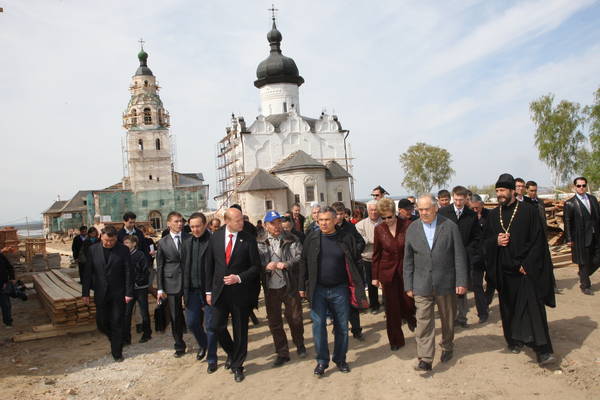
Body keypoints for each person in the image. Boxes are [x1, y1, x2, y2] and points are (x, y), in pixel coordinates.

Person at [483, 173, 556, 365]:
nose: (499, 194)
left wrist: (528, 264)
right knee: (509, 308)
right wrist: (496, 241)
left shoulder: (529, 211)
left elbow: (538, 241)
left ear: (512, 191)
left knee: (534, 310)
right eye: (497, 190)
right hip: (504, 271)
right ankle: (514, 341)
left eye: (502, 190)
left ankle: (543, 351)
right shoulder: (493, 215)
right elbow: (484, 242)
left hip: (525, 271)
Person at [299, 207, 367, 376]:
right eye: (320, 220)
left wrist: (359, 285)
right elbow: (303, 261)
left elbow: (356, 261)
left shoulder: (346, 238)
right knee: (318, 326)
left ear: (335, 220)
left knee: (342, 326)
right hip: (318, 290)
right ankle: (322, 361)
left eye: (327, 220)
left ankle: (340, 359)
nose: (323, 223)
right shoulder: (312, 238)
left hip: (340, 289)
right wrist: (301, 286)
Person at [404, 194, 468, 372]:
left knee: (448, 319)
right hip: (421, 283)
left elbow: (459, 256)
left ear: (436, 208)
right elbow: (407, 259)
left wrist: (461, 281)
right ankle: (425, 358)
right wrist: (408, 284)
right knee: (423, 321)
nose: (423, 213)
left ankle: (447, 345)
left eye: (427, 209)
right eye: (420, 209)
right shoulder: (412, 229)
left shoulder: (450, 226)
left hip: (445, 283)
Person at [205, 207, 261, 383]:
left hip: (240, 292)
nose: (241, 223)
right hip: (220, 292)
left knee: (240, 331)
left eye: (242, 219)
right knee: (216, 326)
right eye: (238, 220)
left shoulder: (248, 239)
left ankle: (238, 366)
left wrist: (239, 277)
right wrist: (208, 291)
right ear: (227, 221)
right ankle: (232, 352)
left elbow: (256, 267)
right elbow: (209, 265)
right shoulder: (215, 238)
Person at [257, 211, 306, 367]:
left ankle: (300, 344)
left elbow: (300, 257)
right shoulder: (259, 242)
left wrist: (286, 264)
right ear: (266, 226)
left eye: (278, 222)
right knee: (275, 322)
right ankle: (282, 352)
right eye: (272, 223)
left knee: (295, 318)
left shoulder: (291, 238)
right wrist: (265, 267)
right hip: (271, 287)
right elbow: (254, 263)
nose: (276, 226)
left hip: (289, 284)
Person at [182, 212, 227, 373]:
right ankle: (204, 344)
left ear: (205, 225)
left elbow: (220, 267)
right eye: (192, 227)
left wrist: (214, 289)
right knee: (192, 323)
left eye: (198, 226)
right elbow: (184, 267)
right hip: (192, 291)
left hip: (210, 291)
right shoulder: (186, 242)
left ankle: (212, 358)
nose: (195, 229)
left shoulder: (214, 241)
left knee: (210, 326)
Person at [82, 225, 133, 362]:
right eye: (106, 241)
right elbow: (88, 272)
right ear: (101, 237)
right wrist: (85, 293)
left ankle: (117, 352)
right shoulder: (93, 250)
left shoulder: (123, 250)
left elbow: (128, 271)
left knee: (117, 321)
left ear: (116, 239)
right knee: (102, 323)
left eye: (112, 241)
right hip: (101, 292)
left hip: (118, 293)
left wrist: (128, 292)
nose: (109, 243)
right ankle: (116, 338)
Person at [372, 198, 416, 350]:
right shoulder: (379, 229)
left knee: (409, 303)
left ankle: (410, 318)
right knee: (391, 309)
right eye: (383, 217)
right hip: (387, 273)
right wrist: (375, 277)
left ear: (395, 213)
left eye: (389, 217)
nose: (387, 220)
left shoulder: (408, 225)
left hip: (406, 271)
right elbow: (376, 254)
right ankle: (396, 341)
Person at [438, 185, 482, 326]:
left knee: (462, 288)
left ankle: (462, 318)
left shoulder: (471, 215)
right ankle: (449, 318)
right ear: (453, 197)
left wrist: (468, 250)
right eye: (456, 199)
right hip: (446, 257)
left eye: (461, 200)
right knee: (447, 289)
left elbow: (477, 236)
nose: (458, 203)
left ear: (466, 199)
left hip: (463, 258)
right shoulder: (443, 213)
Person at [156, 211, 190, 357]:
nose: (180, 224)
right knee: (175, 316)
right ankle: (179, 345)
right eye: (176, 221)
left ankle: (203, 339)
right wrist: (160, 288)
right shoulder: (163, 243)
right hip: (171, 283)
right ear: (169, 223)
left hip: (189, 281)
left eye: (181, 221)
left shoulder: (189, 238)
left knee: (195, 312)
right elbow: (160, 266)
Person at [331, 201, 366, 340]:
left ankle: (356, 330)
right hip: (335, 271)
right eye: (336, 214)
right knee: (336, 302)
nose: (339, 217)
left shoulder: (350, 227)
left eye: (341, 214)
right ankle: (338, 327)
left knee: (353, 301)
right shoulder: (328, 228)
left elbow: (361, 242)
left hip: (351, 270)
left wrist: (353, 252)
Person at [564, 176, 600, 295]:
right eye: (579, 186)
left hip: (595, 235)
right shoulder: (570, 203)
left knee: (597, 258)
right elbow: (567, 222)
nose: (581, 188)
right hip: (580, 237)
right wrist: (569, 239)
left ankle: (584, 274)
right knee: (583, 261)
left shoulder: (593, 199)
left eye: (583, 185)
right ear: (575, 187)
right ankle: (585, 286)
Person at [122, 235, 152, 344]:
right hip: (128, 290)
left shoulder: (140, 255)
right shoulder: (123, 255)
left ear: (134, 244)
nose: (125, 245)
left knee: (144, 312)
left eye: (127, 243)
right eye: (124, 243)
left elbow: (145, 271)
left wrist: (137, 282)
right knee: (127, 313)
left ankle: (147, 334)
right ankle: (126, 338)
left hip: (140, 288)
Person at [355, 200, 382, 314]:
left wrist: (371, 241)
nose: (374, 212)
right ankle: (374, 305)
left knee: (386, 282)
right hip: (368, 258)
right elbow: (362, 241)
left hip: (383, 258)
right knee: (371, 284)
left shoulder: (385, 222)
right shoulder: (360, 225)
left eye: (376, 210)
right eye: (371, 210)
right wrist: (375, 241)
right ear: (367, 210)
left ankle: (388, 304)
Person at [469, 195, 494, 314]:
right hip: (476, 256)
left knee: (492, 280)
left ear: (482, 205)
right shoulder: (468, 217)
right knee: (476, 284)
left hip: (490, 254)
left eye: (477, 208)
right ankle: (482, 312)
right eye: (472, 208)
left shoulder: (491, 215)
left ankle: (486, 300)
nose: (475, 210)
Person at [0, 249, 16, 327]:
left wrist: (12, 278)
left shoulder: (1, 256)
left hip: (3, 286)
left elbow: (9, 267)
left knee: (6, 305)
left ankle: (8, 322)